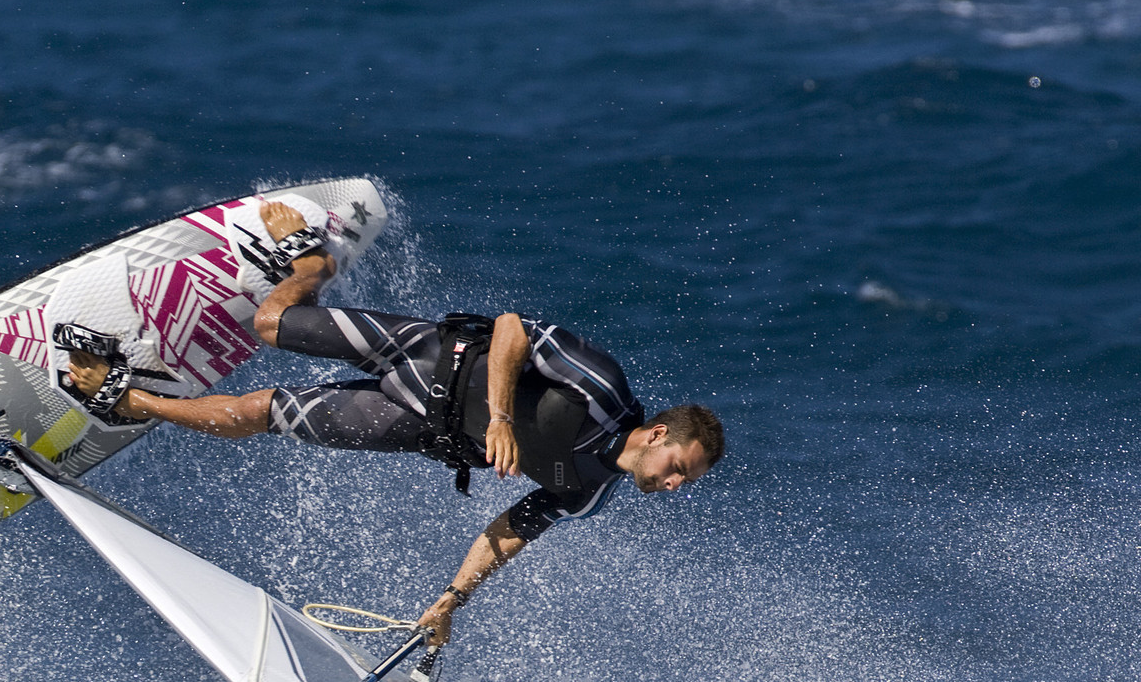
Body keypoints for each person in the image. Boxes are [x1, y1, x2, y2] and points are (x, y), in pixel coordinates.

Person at [55, 215, 723, 648]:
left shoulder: (587, 492)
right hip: (431, 356)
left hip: (416, 426)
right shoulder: (603, 386)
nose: (672, 484)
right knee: (271, 326)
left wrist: (451, 602)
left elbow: (505, 534)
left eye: (682, 481)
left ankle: (130, 399)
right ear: (660, 432)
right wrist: (497, 417)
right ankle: (312, 264)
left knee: (260, 415)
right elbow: (514, 327)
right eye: (679, 467)